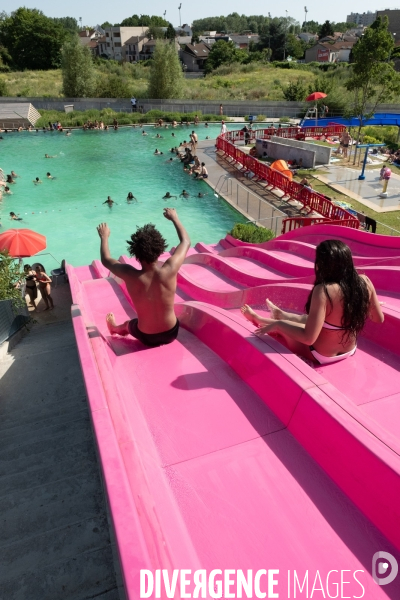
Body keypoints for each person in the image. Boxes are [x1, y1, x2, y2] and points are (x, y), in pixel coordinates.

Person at [240, 240, 384, 365]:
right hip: (349, 350)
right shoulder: (364, 282)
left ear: (323, 265)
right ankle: (281, 314)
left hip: (321, 354)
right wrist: (364, 304)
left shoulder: (324, 290)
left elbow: (308, 338)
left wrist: (279, 325)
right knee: (313, 320)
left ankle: (260, 319)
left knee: (285, 328)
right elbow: (378, 318)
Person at [98, 208, 191, 347]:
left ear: (135, 254)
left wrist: (104, 237)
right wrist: (174, 218)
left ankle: (115, 328)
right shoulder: (170, 269)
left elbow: (106, 260)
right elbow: (186, 242)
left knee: (128, 325)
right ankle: (119, 328)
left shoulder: (130, 274)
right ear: (160, 249)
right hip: (172, 332)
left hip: (147, 337)